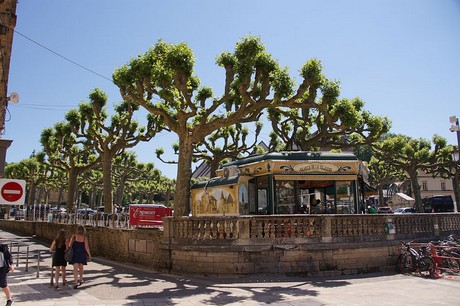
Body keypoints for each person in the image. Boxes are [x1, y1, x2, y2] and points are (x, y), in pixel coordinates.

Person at [68, 225, 91, 289]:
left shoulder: (74, 236)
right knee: (81, 267)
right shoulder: (84, 237)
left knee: (75, 268)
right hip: (82, 253)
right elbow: (86, 247)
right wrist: (89, 255)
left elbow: (70, 245)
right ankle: (80, 279)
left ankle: (75, 282)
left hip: (75, 253)